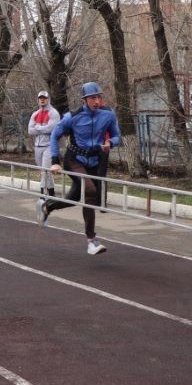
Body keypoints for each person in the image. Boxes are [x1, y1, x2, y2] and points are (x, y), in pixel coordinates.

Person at [38, 82, 121, 255]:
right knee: (90, 191)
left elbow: (116, 135)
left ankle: (47, 207)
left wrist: (110, 142)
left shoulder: (108, 115)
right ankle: (91, 240)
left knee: (73, 199)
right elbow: (55, 136)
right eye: (92, 98)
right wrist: (55, 160)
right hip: (74, 159)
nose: (97, 101)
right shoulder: (72, 117)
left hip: (94, 161)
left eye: (99, 97)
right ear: (84, 100)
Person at [27, 90, 60, 198]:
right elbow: (30, 130)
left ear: (48, 99)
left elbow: (51, 128)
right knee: (45, 171)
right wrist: (42, 129)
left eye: (44, 98)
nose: (42, 100)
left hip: (49, 146)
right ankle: (52, 193)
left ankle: (42, 195)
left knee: (45, 171)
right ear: (38, 100)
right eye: (40, 98)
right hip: (37, 146)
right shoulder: (35, 114)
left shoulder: (53, 113)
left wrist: (37, 128)